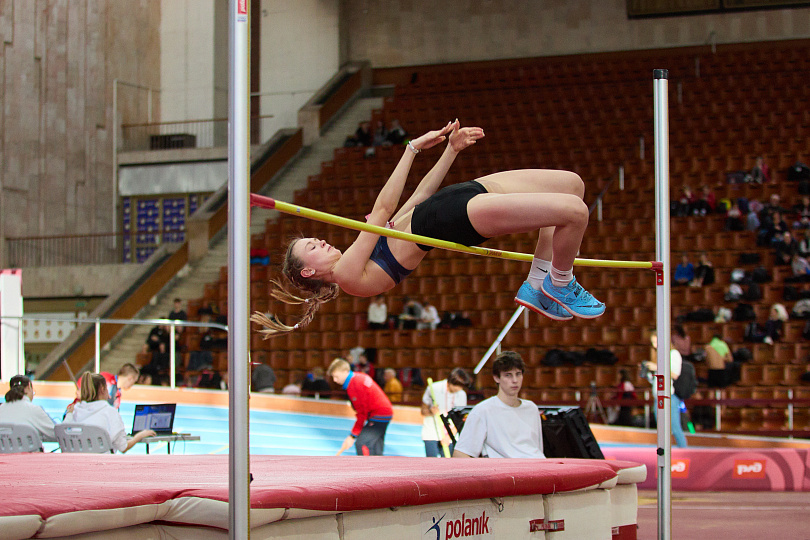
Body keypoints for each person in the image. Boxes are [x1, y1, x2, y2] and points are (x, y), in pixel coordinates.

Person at [251, 120, 604, 338]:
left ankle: (538, 283)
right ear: (309, 271)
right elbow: (383, 209)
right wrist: (411, 149)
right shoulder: (348, 276)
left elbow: (419, 197)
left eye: (315, 239)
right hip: (452, 219)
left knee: (572, 186)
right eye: (312, 246)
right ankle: (560, 282)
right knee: (574, 213)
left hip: (454, 197)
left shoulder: (363, 250)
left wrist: (450, 151)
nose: (321, 240)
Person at [453, 351, 544, 459]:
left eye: (518, 374)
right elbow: (460, 454)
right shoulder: (483, 410)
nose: (515, 380)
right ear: (496, 378)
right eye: (508, 375)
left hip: (537, 464)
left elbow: (537, 448)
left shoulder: (531, 408)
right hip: (507, 467)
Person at [64, 373, 155, 453]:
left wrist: (69, 414)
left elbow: (62, 432)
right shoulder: (110, 413)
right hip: (102, 463)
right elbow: (123, 447)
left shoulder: (74, 411)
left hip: (76, 462)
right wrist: (140, 435)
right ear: (102, 389)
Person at [328, 358, 393, 456]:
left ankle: (365, 466)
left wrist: (352, 436)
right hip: (383, 412)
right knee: (375, 447)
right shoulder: (357, 378)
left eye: (336, 376)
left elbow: (362, 413)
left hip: (379, 413)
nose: (334, 380)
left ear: (345, 371)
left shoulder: (354, 384)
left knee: (362, 444)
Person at [645, 333, 688, 448]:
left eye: (656, 342)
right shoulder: (658, 355)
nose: (654, 345)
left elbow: (674, 374)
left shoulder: (673, 354)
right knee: (661, 430)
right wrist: (649, 373)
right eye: (653, 343)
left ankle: (684, 451)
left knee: (675, 428)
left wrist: (656, 367)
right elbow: (657, 379)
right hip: (657, 397)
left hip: (669, 397)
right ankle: (664, 452)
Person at [422, 368, 471, 457]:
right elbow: (423, 411)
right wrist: (431, 411)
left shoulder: (461, 394)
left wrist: (449, 436)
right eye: (457, 385)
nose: (459, 389)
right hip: (431, 433)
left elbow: (460, 419)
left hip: (450, 434)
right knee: (431, 463)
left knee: (447, 463)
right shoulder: (434, 388)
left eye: (461, 386)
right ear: (450, 382)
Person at [0, 375, 57, 442]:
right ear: (29, 387)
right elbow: (57, 434)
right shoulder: (34, 410)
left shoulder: (1, 409)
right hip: (29, 448)